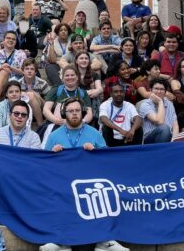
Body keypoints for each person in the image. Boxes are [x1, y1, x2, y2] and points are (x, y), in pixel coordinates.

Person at [42, 98, 128, 251]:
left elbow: (107, 161)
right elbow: (43, 164)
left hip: (90, 183)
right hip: (64, 183)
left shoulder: (94, 133)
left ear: (81, 113)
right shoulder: (55, 135)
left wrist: (95, 153)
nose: (74, 114)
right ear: (64, 113)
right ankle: (60, 241)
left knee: (103, 193)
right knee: (60, 194)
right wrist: (52, 153)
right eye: (70, 111)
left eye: (77, 111)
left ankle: (105, 240)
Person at [99, 82, 143, 147]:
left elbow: (138, 118)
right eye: (116, 92)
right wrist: (121, 130)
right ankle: (108, 151)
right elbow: (103, 119)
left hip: (127, 138)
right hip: (111, 139)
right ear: (111, 94)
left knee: (139, 129)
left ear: (124, 93)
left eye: (121, 92)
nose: (119, 94)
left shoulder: (129, 105)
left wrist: (132, 131)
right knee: (106, 128)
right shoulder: (105, 105)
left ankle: (136, 151)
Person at [0, 31, 26, 104]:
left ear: (16, 42)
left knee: (7, 69)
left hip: (17, 82)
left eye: (13, 39)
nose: (11, 40)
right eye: (8, 38)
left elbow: (24, 72)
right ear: (3, 40)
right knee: (4, 70)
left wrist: (12, 68)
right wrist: (0, 68)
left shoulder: (21, 54)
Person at [139, 78, 179, 143]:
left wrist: (174, 141)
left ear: (165, 92)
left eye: (162, 89)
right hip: (150, 139)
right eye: (156, 89)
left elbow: (175, 125)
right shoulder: (145, 104)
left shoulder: (169, 104)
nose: (159, 92)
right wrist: (160, 102)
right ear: (151, 90)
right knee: (164, 128)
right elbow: (159, 121)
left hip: (169, 138)